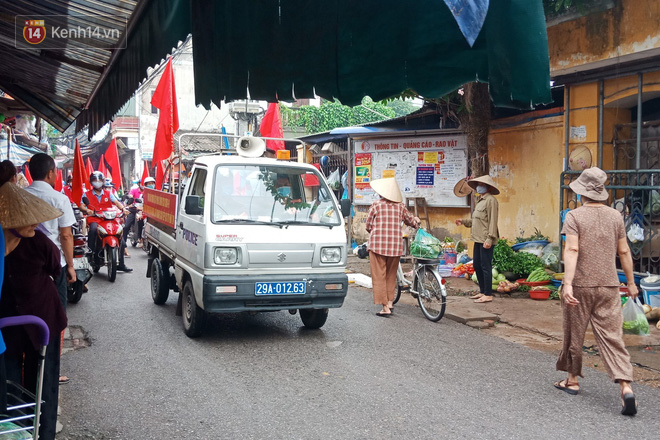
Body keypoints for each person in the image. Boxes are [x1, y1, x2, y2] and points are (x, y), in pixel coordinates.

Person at [554, 167, 638, 416]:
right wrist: (631, 283)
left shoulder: (574, 216)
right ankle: (625, 386)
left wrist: (567, 283)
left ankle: (572, 380)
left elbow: (572, 251)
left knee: (574, 333)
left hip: (580, 285)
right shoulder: (615, 217)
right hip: (609, 285)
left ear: (581, 194)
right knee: (613, 337)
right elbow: (624, 252)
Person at [0, 182, 68, 440]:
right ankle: (20, 432)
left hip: (43, 319)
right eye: (27, 220)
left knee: (44, 380)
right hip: (8, 325)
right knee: (11, 381)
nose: (35, 224)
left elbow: (56, 269)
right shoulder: (2, 246)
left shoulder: (39, 241)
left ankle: (45, 433)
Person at [26, 153, 77, 307]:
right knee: (57, 309)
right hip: (55, 262)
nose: (56, 175)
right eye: (55, 171)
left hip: (26, 260)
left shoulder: (21, 196)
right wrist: (70, 265)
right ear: (50, 173)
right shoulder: (59, 199)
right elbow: (66, 235)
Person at [366, 178, 420, 316]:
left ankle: (385, 307)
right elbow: (411, 221)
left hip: (377, 246)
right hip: (395, 247)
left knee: (379, 276)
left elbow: (368, 226)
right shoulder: (401, 206)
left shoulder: (376, 205)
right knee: (391, 275)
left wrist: (375, 230)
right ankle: (390, 301)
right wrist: (416, 221)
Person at [455, 175, 500, 303]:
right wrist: (463, 221)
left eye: (481, 184)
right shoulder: (480, 201)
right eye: (478, 184)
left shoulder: (491, 201)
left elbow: (493, 221)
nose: (479, 187)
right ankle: (482, 291)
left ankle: (488, 294)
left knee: (486, 266)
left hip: (486, 239)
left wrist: (490, 239)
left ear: (488, 187)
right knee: (477, 265)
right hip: (477, 238)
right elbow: (475, 221)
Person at [80, 171, 133, 273]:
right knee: (93, 230)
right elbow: (82, 205)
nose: (98, 182)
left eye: (100, 180)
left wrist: (123, 209)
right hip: (95, 218)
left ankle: (121, 264)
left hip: (108, 219)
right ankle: (90, 254)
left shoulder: (109, 194)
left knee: (119, 235)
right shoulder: (86, 194)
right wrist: (87, 210)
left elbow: (117, 203)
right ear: (91, 182)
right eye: (95, 180)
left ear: (103, 181)